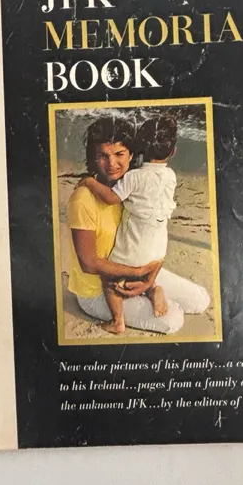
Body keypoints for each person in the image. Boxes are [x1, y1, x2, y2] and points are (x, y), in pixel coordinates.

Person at [66, 116, 210, 335]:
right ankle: (145, 295)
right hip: (97, 290)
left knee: (200, 299)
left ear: (132, 154)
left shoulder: (132, 187)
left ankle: (150, 291)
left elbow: (152, 232)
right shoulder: (84, 199)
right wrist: (140, 272)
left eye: (119, 154)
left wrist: (148, 279)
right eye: (103, 156)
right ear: (94, 158)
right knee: (173, 319)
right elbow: (89, 263)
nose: (112, 164)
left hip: (135, 269)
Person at [79, 115, 178, 335]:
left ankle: (117, 321)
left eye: (119, 154)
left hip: (135, 248)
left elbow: (112, 198)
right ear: (173, 152)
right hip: (158, 248)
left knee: (111, 281)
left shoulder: (134, 177)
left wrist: (90, 182)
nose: (112, 162)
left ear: (136, 150)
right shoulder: (171, 176)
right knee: (140, 275)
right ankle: (152, 289)